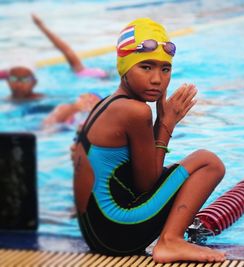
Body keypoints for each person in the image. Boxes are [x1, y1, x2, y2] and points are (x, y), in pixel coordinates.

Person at [72, 18, 226, 263]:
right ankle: (170, 241)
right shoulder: (136, 111)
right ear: (124, 68)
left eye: (165, 69)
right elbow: (147, 184)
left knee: (181, 172)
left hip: (97, 233)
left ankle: (169, 239)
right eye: (146, 67)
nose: (157, 79)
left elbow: (135, 178)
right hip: (117, 232)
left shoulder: (106, 104)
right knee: (208, 162)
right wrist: (166, 123)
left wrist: (159, 123)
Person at [0, 14, 107, 101]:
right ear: (7, 81)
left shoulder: (44, 100)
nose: (18, 84)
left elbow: (67, 52)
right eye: (14, 79)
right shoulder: (5, 101)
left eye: (24, 79)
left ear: (34, 82)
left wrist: (42, 26)